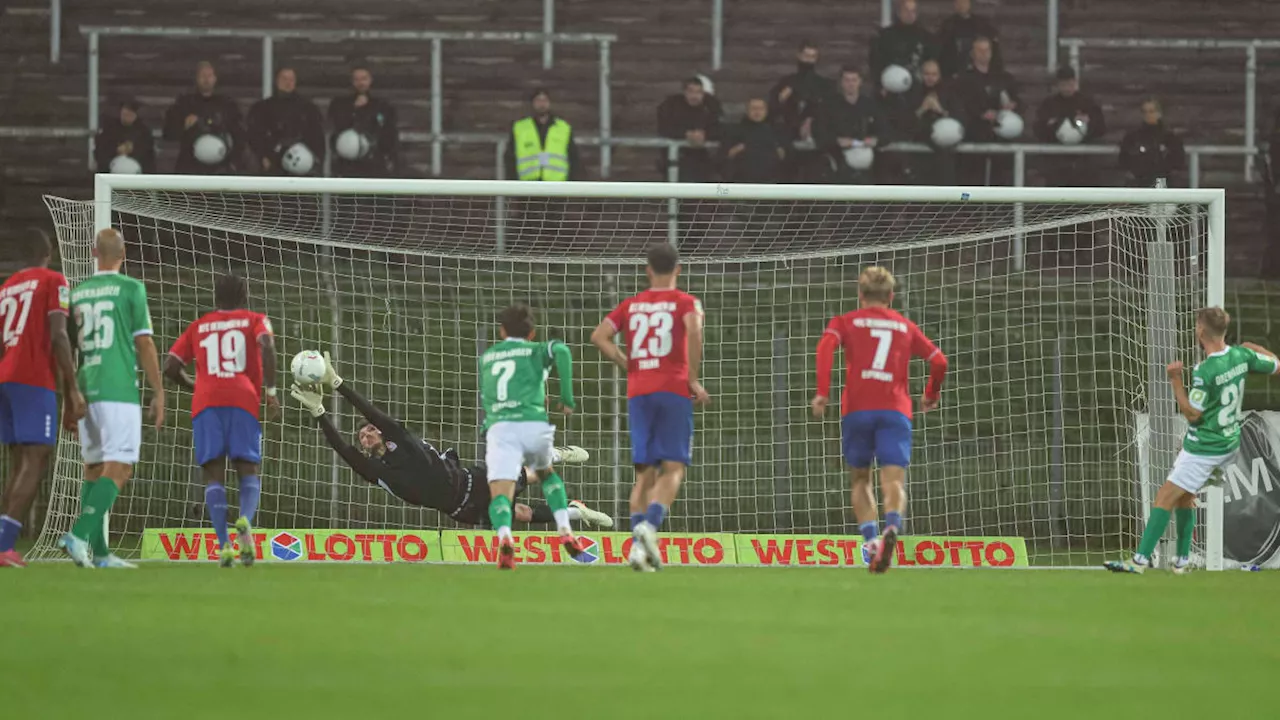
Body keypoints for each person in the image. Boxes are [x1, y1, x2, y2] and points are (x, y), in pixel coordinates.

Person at [289, 354, 611, 529]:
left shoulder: (400, 439)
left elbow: (371, 411)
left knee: (529, 476)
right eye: (362, 435)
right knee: (520, 515)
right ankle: (574, 512)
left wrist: (338, 384)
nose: (367, 433)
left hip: (473, 482)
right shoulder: (376, 471)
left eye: (370, 429)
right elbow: (344, 452)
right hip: (457, 508)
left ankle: (556, 453)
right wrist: (319, 412)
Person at [1106, 308, 1280, 574]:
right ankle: (1183, 560)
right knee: (1185, 497)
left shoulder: (1206, 370)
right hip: (1228, 443)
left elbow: (1192, 414)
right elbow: (1276, 364)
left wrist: (1176, 381)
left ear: (1200, 330)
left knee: (1164, 495)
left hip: (1205, 446)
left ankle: (1139, 561)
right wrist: (1252, 347)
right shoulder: (1241, 356)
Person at [810, 266, 948, 574]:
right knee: (894, 480)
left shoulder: (845, 321)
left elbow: (825, 346)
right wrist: (931, 394)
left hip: (857, 410)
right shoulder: (905, 326)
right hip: (895, 411)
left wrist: (822, 392)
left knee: (860, 479)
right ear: (892, 296)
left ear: (861, 295)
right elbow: (939, 360)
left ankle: (872, 541)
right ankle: (893, 526)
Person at [591, 243, 710, 572]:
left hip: (639, 391)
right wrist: (692, 379)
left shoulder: (631, 305)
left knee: (644, 473)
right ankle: (650, 526)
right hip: (672, 388)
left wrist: (626, 362)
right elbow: (695, 330)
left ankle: (635, 549)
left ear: (647, 270)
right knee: (673, 468)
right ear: (678, 269)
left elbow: (599, 336)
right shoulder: (686, 302)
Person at [58, 229, 164, 568]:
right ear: (124, 253)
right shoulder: (132, 288)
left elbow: (67, 348)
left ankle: (100, 555)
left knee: (94, 469)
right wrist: (159, 391)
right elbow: (144, 343)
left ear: (92, 252)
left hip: (86, 385)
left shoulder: (79, 292)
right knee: (120, 467)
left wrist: (69, 396)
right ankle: (77, 535)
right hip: (117, 388)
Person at [164, 274, 278, 568]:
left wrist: (197, 385)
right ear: (244, 298)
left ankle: (225, 546)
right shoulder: (255, 320)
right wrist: (271, 390)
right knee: (248, 468)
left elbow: (171, 366)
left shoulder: (199, 326)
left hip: (207, 401)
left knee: (213, 473)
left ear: (216, 298)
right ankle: (245, 520)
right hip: (243, 397)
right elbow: (266, 345)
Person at [479, 303, 585, 570]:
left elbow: (493, 394)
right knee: (547, 475)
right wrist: (566, 397)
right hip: (532, 422)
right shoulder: (535, 350)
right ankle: (565, 530)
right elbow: (560, 349)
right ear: (532, 333)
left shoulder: (488, 357)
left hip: (500, 428)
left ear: (502, 332)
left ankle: (505, 539)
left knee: (501, 494)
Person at [0, 233, 84, 568]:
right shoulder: (54, 280)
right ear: (48, 253)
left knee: (20, 463)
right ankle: (5, 547)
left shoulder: (6, 288)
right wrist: (73, 388)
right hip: (32, 378)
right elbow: (59, 334)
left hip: (5, 377)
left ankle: (4, 544)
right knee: (35, 461)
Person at [953, 37, 1020, 185]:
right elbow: (961, 105)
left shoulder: (1003, 77)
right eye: (979, 50)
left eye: (987, 50)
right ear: (972, 53)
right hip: (975, 135)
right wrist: (980, 114)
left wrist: (1012, 106)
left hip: (1000, 136)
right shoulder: (964, 79)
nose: (983, 54)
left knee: (1000, 179)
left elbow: (1017, 101)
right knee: (973, 180)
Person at [768, 41, 834, 181]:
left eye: (813, 56)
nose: (809, 60)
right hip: (788, 138)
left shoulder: (824, 85)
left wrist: (811, 121)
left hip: (816, 139)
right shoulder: (786, 82)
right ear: (798, 56)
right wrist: (781, 99)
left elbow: (828, 110)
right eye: (806, 55)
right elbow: (773, 108)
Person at [163, 61, 244, 175]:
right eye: (202, 76)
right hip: (191, 166)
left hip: (220, 167)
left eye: (209, 76)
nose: (206, 79)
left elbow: (239, 134)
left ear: (215, 78)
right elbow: (168, 133)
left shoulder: (227, 104)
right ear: (196, 78)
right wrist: (183, 125)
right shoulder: (184, 103)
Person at [1034, 66, 1106, 187]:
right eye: (1063, 84)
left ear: (1075, 83)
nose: (1067, 88)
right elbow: (1038, 129)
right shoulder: (1049, 104)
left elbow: (1101, 128)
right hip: (1056, 161)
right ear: (1058, 85)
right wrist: (1051, 126)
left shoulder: (1087, 103)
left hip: (1082, 161)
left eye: (1070, 84)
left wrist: (1089, 122)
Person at [247, 68, 325, 176]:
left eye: (291, 79)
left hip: (302, 164)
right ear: (276, 80)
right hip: (273, 164)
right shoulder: (262, 108)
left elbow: (317, 136)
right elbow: (254, 135)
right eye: (284, 79)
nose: (288, 83)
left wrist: (314, 159)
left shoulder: (308, 108)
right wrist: (263, 156)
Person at [327, 66, 400, 178]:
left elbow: (390, 133)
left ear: (370, 80)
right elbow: (338, 127)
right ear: (352, 82)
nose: (361, 83)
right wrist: (355, 109)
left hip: (374, 163)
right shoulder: (340, 104)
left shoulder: (382, 106)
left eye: (364, 79)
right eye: (357, 79)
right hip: (348, 163)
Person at [814, 67, 881, 184]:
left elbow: (886, 130)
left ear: (860, 82)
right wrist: (837, 141)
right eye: (847, 80)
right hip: (839, 162)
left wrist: (876, 140)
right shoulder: (829, 106)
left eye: (854, 80)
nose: (851, 84)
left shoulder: (870, 105)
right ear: (841, 83)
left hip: (867, 163)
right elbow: (819, 131)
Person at [505, 88, 581, 182]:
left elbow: (574, 158)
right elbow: (510, 159)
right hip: (528, 187)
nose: (542, 104)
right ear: (533, 103)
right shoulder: (520, 128)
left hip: (556, 187)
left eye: (544, 100)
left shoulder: (563, 128)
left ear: (549, 103)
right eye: (538, 100)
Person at [656, 77, 723, 182]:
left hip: (703, 159)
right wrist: (686, 134)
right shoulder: (671, 106)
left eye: (698, 92)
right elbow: (664, 127)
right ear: (684, 92)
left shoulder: (711, 106)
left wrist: (705, 134)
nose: (694, 96)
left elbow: (720, 127)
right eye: (691, 91)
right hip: (678, 157)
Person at [870, 0, 937, 91]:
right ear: (899, 12)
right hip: (891, 86)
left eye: (913, 11)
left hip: (917, 88)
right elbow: (876, 62)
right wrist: (880, 85)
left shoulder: (926, 37)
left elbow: (931, 63)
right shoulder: (885, 36)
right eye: (906, 10)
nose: (910, 14)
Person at [1119, 97, 1186, 188]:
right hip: (1139, 183)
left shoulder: (1170, 138)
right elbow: (1124, 160)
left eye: (1151, 111)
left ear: (1159, 113)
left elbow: (1178, 161)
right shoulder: (1132, 138)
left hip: (1163, 182)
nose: (1148, 115)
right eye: (1145, 112)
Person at [721, 99, 787, 184]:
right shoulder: (735, 131)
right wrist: (733, 152)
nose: (757, 112)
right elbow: (724, 155)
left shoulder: (776, 131)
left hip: (771, 181)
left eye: (761, 109)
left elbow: (786, 155)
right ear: (747, 111)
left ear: (766, 111)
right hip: (742, 180)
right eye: (754, 108)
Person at [936, 0, 1002, 78]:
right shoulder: (947, 26)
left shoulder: (981, 24)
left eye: (964, 2)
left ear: (970, 3)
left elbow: (993, 43)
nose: (962, 5)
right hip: (955, 72)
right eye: (959, 2)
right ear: (955, 5)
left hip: (980, 72)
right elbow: (942, 51)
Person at [94, 98, 156, 174]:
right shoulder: (110, 129)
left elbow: (148, 155)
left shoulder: (143, 132)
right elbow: (100, 151)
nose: (128, 115)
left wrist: (132, 150)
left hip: (137, 169)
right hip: (111, 168)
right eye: (125, 113)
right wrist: (116, 150)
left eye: (131, 113)